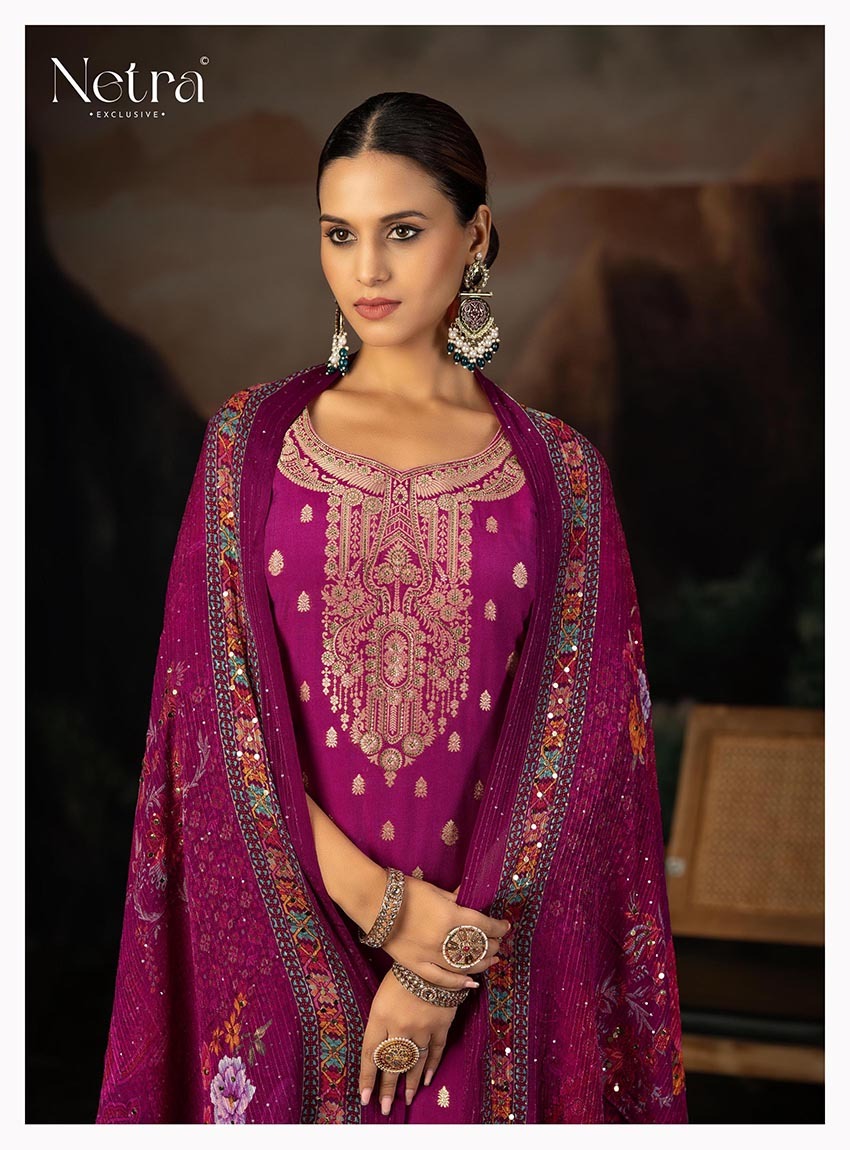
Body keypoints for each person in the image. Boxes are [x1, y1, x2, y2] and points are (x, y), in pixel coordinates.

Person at [96, 91, 687, 1125]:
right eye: (340, 233)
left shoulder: (561, 476)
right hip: (293, 948)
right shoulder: (248, 447)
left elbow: (591, 754)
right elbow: (211, 723)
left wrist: (440, 969)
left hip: (493, 974)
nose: (365, 269)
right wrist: (390, 915)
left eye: (402, 231)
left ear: (476, 236)